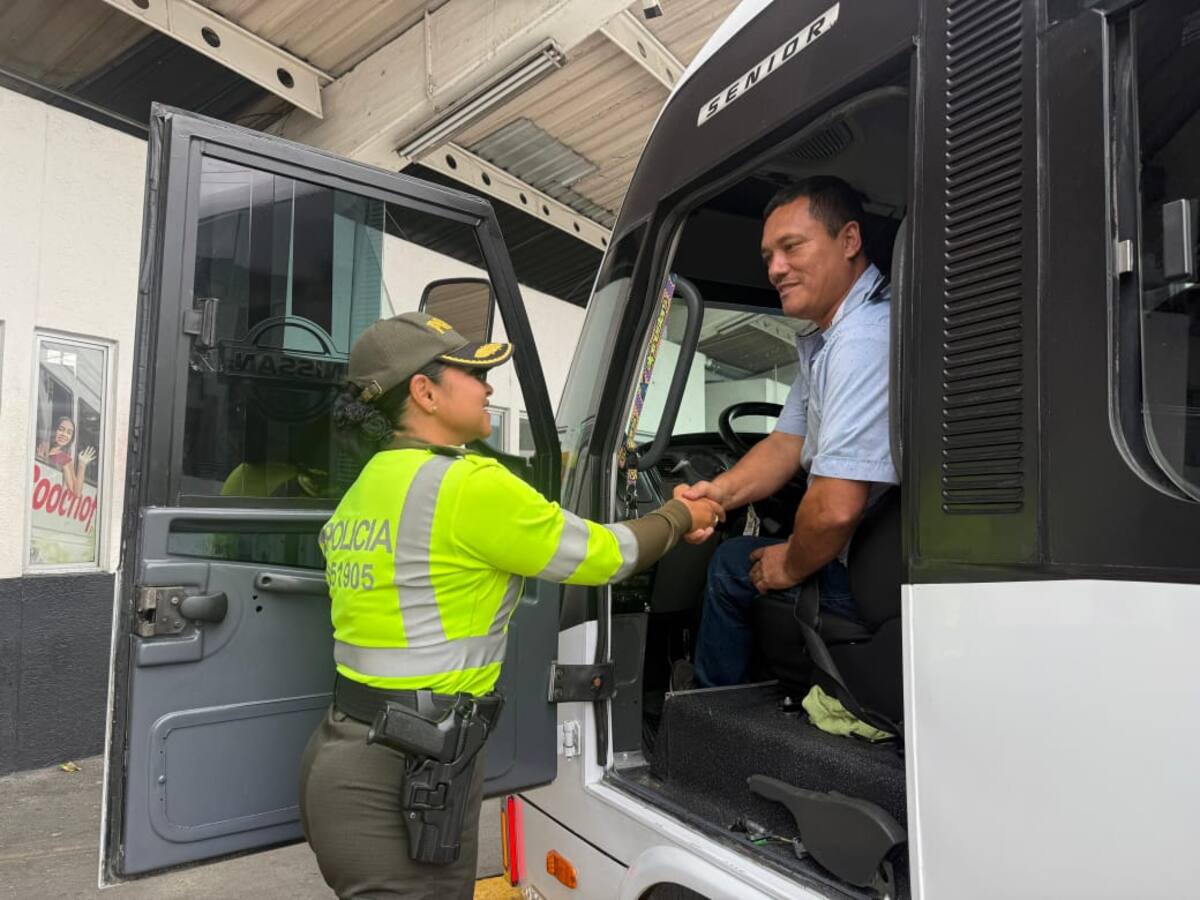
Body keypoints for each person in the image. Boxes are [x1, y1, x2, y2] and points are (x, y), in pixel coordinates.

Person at [299, 311, 723, 899]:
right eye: (473, 374)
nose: (488, 387)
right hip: (405, 775)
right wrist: (681, 516)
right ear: (425, 391)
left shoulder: (372, 480)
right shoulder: (467, 485)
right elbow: (606, 554)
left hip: (347, 753)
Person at [676, 176, 898, 689]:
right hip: (869, 553)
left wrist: (790, 566)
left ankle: (710, 712)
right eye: (768, 255)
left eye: (791, 247)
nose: (775, 268)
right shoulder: (831, 338)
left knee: (733, 565)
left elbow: (836, 506)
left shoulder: (860, 341)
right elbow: (786, 443)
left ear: (848, 240)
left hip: (867, 576)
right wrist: (719, 493)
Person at [36, 416, 96, 497]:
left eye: (69, 432)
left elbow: (76, 493)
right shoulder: (42, 445)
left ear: (71, 438)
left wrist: (82, 464)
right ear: (54, 430)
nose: (64, 434)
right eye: (61, 429)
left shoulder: (65, 459)